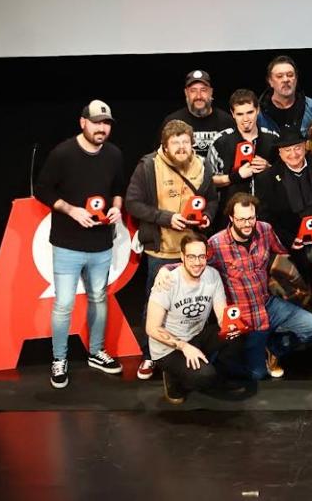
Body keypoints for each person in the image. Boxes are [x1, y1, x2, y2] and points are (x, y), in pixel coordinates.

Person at [34, 100, 126, 388]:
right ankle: (58, 359)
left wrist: (117, 207)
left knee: (99, 297)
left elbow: (118, 189)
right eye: (97, 122)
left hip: (101, 243)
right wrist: (71, 209)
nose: (102, 128)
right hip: (67, 244)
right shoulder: (63, 153)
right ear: (83, 122)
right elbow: (42, 189)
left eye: (106, 123)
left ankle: (96, 351)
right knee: (63, 305)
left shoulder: (113, 154)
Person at [126, 118, 219, 380]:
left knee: (193, 304)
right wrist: (166, 218)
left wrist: (208, 217)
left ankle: (189, 350)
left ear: (192, 144)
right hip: (162, 251)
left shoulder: (201, 166)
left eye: (185, 142)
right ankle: (150, 356)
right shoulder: (148, 166)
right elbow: (133, 203)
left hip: (193, 252)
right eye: (175, 143)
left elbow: (212, 198)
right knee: (155, 306)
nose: (181, 147)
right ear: (164, 146)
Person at [207, 194, 312, 380]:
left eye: (251, 218)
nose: (247, 224)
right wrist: (167, 270)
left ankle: (274, 349)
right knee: (257, 374)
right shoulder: (216, 243)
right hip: (243, 316)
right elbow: (195, 266)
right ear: (231, 218)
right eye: (241, 219)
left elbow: (281, 254)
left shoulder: (265, 229)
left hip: (268, 304)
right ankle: (257, 352)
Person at [146, 235, 245, 404]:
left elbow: (221, 313)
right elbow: (151, 328)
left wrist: (228, 327)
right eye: (191, 257)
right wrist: (184, 347)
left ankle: (217, 375)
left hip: (196, 336)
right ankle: (172, 376)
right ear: (183, 257)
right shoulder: (167, 282)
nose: (197, 262)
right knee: (204, 377)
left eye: (201, 256)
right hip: (169, 348)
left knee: (236, 335)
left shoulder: (212, 275)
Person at [252, 127, 312, 309]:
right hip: (290, 245)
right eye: (287, 150)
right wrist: (289, 240)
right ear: (280, 152)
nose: (293, 154)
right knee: (297, 295)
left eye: (297, 148)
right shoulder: (267, 178)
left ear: (305, 146)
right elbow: (266, 218)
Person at [209, 89, 279, 206]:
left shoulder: (273, 139)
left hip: (266, 212)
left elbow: (286, 177)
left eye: (250, 112)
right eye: (240, 114)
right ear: (232, 114)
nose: (245, 119)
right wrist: (235, 177)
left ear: (258, 110)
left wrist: (269, 168)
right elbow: (209, 181)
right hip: (232, 214)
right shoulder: (220, 141)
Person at [162, 70, 235, 161]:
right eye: (193, 91)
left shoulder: (226, 121)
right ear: (186, 93)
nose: (198, 96)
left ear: (211, 92)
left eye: (203, 90)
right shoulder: (172, 121)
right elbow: (161, 157)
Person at [258, 55, 312, 137]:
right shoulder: (258, 112)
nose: (285, 80)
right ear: (270, 81)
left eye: (290, 75)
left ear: (296, 79)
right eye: (279, 76)